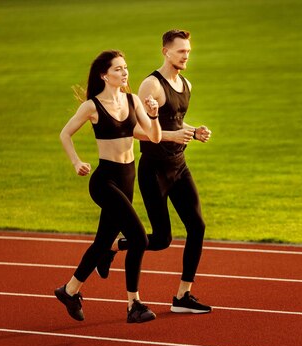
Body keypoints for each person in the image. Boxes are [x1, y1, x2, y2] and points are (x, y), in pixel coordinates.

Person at [97, 30, 212, 314]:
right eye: (181, 51)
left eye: (188, 51)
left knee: (197, 227)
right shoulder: (151, 85)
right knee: (161, 239)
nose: (186, 56)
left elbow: (174, 123)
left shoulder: (186, 84)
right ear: (165, 52)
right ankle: (113, 247)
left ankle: (183, 296)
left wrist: (194, 132)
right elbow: (138, 131)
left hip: (179, 167)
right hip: (154, 171)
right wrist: (173, 137)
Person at [55, 50, 162, 323]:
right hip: (104, 181)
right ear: (105, 75)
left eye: (126, 68)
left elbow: (154, 136)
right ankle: (133, 304)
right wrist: (76, 161)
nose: (124, 73)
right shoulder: (92, 106)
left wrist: (154, 114)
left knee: (102, 242)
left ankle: (69, 290)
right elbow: (65, 133)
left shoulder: (132, 100)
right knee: (139, 238)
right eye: (118, 69)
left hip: (128, 177)